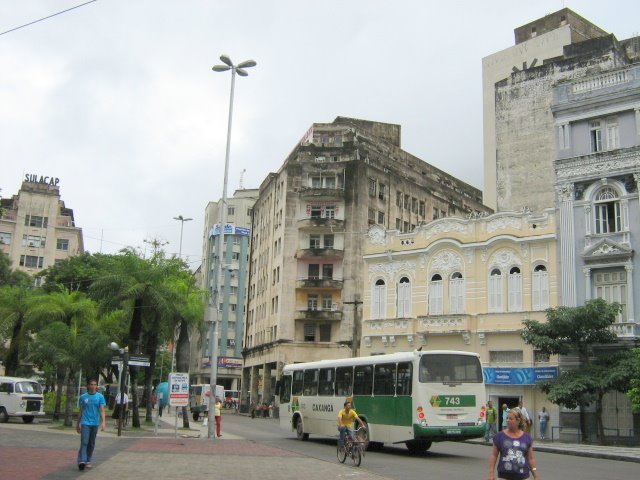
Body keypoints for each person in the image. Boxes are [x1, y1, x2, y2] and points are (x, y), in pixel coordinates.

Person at [488, 407, 540, 480]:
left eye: (511, 419)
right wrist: (491, 473)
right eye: (507, 418)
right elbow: (493, 456)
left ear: (518, 421)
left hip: (523, 477)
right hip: (504, 476)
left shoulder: (527, 438)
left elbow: (531, 459)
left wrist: (536, 475)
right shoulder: (499, 436)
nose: (508, 420)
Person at [76, 378, 106, 471]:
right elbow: (81, 411)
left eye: (95, 384)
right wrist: (78, 424)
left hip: (95, 423)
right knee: (84, 442)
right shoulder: (83, 397)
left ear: (96, 386)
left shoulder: (100, 397)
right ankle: (82, 461)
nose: (93, 386)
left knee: (91, 443)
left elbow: (102, 410)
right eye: (91, 384)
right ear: (88, 386)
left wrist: (103, 422)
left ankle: (88, 460)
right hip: (85, 422)